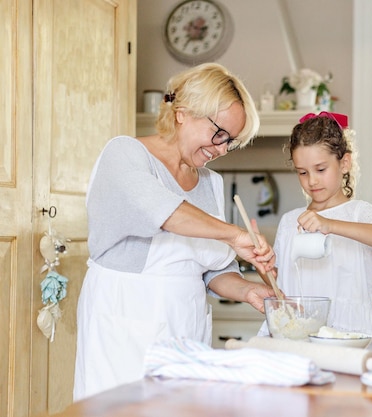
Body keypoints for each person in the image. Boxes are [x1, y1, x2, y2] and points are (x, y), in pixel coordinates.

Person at [74, 63, 276, 400]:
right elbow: (164, 212)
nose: (222, 149)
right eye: (219, 133)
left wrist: (247, 291)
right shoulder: (124, 154)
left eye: (231, 142)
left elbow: (212, 271)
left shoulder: (212, 182)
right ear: (183, 114)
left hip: (185, 329)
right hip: (125, 322)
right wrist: (235, 235)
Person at [259, 112, 372, 338]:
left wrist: (330, 225)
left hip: (351, 335)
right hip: (301, 334)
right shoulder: (290, 221)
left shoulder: (357, 212)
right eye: (303, 172)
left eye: (320, 169)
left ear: (344, 163)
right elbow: (281, 284)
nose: (311, 180)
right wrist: (263, 266)